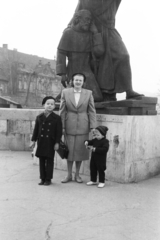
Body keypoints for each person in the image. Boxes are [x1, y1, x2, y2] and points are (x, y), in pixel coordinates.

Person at [69, 0, 143, 101]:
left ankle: (128, 90)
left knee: (123, 56)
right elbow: (77, 14)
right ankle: (107, 93)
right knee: (100, 63)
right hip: (92, 31)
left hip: (109, 30)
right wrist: (69, 28)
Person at [56, 9, 104, 102]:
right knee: (81, 96)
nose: (88, 22)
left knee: (97, 97)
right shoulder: (68, 33)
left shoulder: (90, 35)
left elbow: (99, 52)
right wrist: (62, 74)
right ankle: (65, 96)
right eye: (86, 19)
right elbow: (61, 53)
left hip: (87, 70)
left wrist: (95, 33)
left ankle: (65, 95)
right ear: (78, 19)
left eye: (89, 20)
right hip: (72, 69)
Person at [59, 73, 96, 183]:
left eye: (80, 80)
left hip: (83, 126)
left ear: (83, 82)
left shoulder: (88, 93)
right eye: (76, 80)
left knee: (80, 151)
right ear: (72, 81)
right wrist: (62, 126)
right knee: (69, 151)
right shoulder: (65, 92)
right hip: (69, 124)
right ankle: (69, 175)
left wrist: (93, 126)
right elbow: (62, 110)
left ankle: (77, 175)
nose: (78, 82)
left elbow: (92, 110)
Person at [30, 96, 62, 186]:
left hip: (50, 142)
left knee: (49, 161)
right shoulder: (39, 117)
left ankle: (48, 179)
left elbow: (59, 132)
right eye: (48, 104)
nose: (50, 106)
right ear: (44, 105)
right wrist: (33, 140)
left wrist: (57, 143)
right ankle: (42, 178)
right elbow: (36, 130)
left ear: (54, 106)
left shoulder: (57, 118)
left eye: (52, 104)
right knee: (41, 160)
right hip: (41, 142)